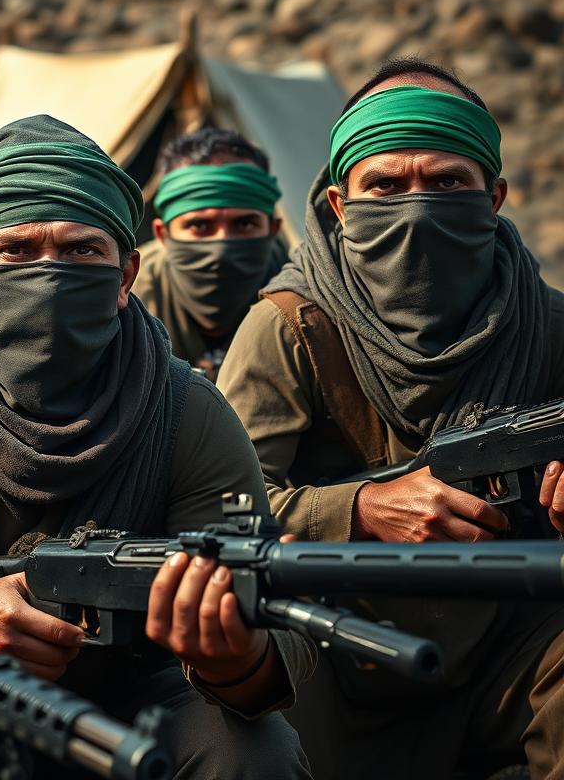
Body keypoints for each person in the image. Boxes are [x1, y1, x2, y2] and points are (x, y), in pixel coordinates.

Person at [0, 114, 315, 779]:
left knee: (253, 750)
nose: (48, 274)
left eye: (81, 251)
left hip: (127, 707)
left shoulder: (182, 407)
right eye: (14, 250)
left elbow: (278, 632)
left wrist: (234, 653)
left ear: (126, 276)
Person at [218, 58, 564, 780]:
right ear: (341, 205)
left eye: (447, 183)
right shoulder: (290, 327)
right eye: (385, 185)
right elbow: (218, 513)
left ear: (495, 197)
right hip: (336, 650)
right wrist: (363, 508)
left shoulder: (548, 324)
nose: (416, 207)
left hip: (509, 645)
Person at [133, 128, 286, 379]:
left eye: (244, 224)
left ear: (273, 229)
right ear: (163, 235)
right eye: (200, 226)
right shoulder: (125, 298)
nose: (221, 245)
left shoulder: (301, 300)